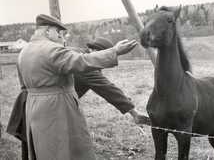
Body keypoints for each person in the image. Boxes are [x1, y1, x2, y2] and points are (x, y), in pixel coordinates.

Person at [12, 14, 138, 160]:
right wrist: (114, 51)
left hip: (31, 108)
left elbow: (23, 86)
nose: (62, 38)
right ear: (48, 31)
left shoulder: (24, 51)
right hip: (57, 110)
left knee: (42, 149)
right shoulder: (53, 50)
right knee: (64, 149)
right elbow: (104, 84)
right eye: (60, 33)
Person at [71, 37, 150, 125]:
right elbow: (109, 90)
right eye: (106, 56)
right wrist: (135, 113)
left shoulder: (76, 53)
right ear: (95, 51)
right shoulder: (86, 67)